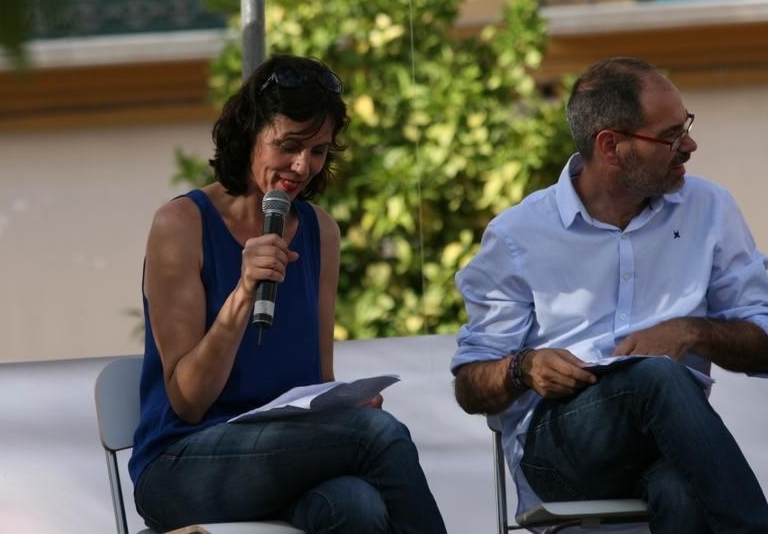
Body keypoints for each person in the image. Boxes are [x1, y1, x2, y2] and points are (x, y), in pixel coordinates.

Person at [128, 54, 446, 533]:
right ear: (250, 133)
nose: (303, 166)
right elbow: (188, 401)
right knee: (376, 436)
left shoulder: (321, 231)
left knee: (357, 505)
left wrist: (345, 405)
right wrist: (243, 293)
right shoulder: (181, 224)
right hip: (182, 466)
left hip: (281, 460)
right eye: (290, 144)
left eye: (318, 151)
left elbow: (318, 378)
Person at [451, 57, 768, 533]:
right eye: (670, 136)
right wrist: (524, 367)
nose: (690, 145)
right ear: (611, 146)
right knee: (656, 377)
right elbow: (470, 387)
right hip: (562, 452)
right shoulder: (519, 234)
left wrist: (690, 331)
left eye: (686, 127)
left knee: (681, 494)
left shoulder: (710, 209)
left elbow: (763, 344)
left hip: (668, 445)